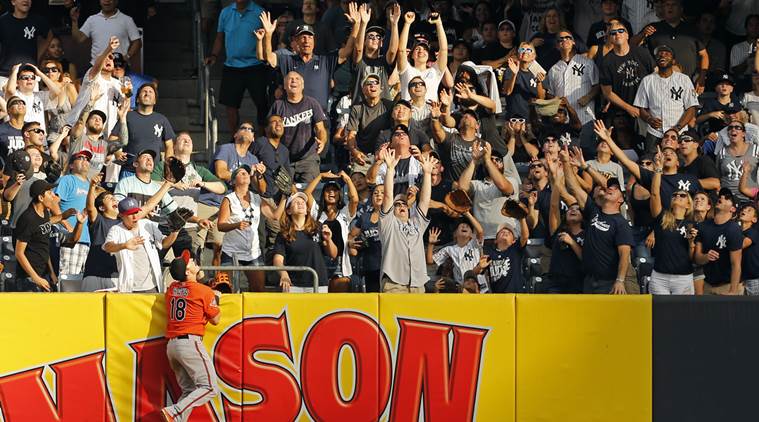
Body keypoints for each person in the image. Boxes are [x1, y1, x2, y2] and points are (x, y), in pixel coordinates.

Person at [562, 146, 634, 294]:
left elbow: (624, 254)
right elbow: (573, 188)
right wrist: (565, 163)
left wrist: (620, 281)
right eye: (609, 187)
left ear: (621, 200)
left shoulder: (620, 223)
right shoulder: (593, 211)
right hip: (589, 280)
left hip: (609, 282)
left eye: (615, 189)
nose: (611, 188)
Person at [259, 6, 358, 114]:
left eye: (310, 37)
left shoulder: (325, 61)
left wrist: (356, 26)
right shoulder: (288, 60)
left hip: (320, 118)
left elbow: (347, 50)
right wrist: (268, 35)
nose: (306, 41)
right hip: (293, 118)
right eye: (303, 37)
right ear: (296, 41)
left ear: (314, 41)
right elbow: (268, 57)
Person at [161, 250, 221, 422]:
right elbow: (216, 319)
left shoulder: (172, 289)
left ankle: (176, 417)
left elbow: (187, 293)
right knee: (210, 388)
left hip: (172, 346)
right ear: (187, 272)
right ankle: (174, 412)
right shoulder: (203, 290)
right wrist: (216, 298)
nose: (194, 261)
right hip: (190, 344)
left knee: (188, 391)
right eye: (190, 262)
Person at [217, 164, 285, 292]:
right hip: (231, 252)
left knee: (258, 289)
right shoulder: (228, 199)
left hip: (252, 252)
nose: (245, 174)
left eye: (247, 173)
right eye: (240, 173)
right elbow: (220, 225)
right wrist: (236, 225)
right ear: (232, 181)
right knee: (226, 290)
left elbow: (275, 216)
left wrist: (284, 197)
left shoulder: (256, 198)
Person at [205, 0, 269, 130]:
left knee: (262, 104)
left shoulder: (260, 12)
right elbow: (219, 37)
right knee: (231, 105)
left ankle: (263, 139)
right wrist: (214, 55)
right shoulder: (225, 12)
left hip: (256, 65)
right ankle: (234, 137)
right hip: (232, 66)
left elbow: (268, 37)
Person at [378, 148, 435, 293]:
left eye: (404, 204)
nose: (401, 206)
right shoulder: (388, 224)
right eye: (397, 204)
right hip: (394, 284)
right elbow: (388, 197)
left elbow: (424, 201)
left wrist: (427, 173)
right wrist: (390, 169)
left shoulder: (416, 223)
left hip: (418, 284)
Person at [103, 197, 179, 293]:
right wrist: (124, 245)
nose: (135, 217)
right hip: (130, 287)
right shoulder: (116, 229)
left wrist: (175, 232)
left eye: (136, 212)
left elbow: (164, 244)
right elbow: (107, 247)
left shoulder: (148, 224)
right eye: (130, 214)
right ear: (121, 215)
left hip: (153, 285)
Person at [648, 147, 697, 294]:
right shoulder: (662, 217)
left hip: (683, 278)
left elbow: (693, 258)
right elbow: (655, 194)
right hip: (659, 277)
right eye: (674, 195)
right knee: (659, 316)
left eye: (682, 195)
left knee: (683, 317)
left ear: (688, 203)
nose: (677, 196)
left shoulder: (692, 224)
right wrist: (658, 169)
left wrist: (691, 242)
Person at [13, 180, 77, 292]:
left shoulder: (44, 213)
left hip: (44, 274)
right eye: (49, 193)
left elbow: (43, 236)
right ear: (41, 198)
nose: (53, 196)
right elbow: (19, 253)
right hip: (28, 279)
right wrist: (36, 278)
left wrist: (63, 216)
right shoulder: (28, 219)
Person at [634, 45, 698, 153]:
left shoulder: (684, 79)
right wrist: (649, 119)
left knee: (680, 163)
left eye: (667, 54)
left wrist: (677, 128)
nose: (662, 55)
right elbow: (641, 108)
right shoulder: (647, 80)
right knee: (652, 163)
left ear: (673, 61)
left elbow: (691, 108)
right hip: (655, 132)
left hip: (679, 132)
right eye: (659, 54)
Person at [268, 71, 328, 183]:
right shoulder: (278, 105)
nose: (294, 80)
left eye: (297, 78)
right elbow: (270, 132)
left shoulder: (312, 103)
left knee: (309, 192)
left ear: (303, 85)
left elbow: (320, 128)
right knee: (284, 193)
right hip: (284, 158)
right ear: (285, 86)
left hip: (308, 158)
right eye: (290, 79)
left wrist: (322, 141)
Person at [305, 171, 359, 291]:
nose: (331, 193)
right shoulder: (317, 213)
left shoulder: (344, 213)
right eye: (328, 190)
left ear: (339, 194)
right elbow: (306, 194)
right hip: (319, 261)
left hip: (340, 264)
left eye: (335, 190)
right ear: (323, 194)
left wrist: (348, 180)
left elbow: (354, 200)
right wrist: (319, 176)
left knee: (339, 302)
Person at [273, 192, 336, 293]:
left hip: (318, 283)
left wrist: (329, 240)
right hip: (293, 285)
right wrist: (283, 274)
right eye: (296, 202)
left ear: (307, 210)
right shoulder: (283, 234)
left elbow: (333, 254)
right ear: (288, 210)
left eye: (303, 202)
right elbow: (278, 260)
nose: (301, 204)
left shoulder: (318, 228)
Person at [599, 20, 655, 127]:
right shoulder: (606, 61)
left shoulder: (641, 52)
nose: (617, 34)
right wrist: (629, 108)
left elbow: (656, 74)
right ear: (610, 38)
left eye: (621, 31)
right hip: (621, 113)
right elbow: (608, 93)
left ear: (627, 35)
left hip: (647, 108)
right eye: (613, 33)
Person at [646, 0, 708, 92]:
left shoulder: (692, 29)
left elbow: (704, 55)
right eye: (667, 5)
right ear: (663, 9)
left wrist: (702, 78)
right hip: (659, 83)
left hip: (688, 83)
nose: (670, 7)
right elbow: (633, 45)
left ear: (681, 9)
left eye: (674, 5)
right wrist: (643, 34)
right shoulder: (652, 28)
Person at [112, 82, 175, 170]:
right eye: (144, 91)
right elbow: (112, 137)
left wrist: (168, 168)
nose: (147, 93)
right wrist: (117, 151)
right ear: (137, 99)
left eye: (150, 92)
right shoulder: (127, 116)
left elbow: (169, 146)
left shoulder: (162, 119)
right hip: (129, 170)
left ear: (155, 101)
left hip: (154, 172)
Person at [694, 188, 744, 295]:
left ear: (733, 209)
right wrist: (706, 257)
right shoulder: (703, 226)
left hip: (728, 286)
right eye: (721, 196)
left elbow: (736, 264)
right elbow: (697, 258)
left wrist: (733, 291)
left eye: (727, 198)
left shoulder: (733, 229)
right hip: (708, 285)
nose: (722, 197)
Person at [54, 150, 93, 281]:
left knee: (81, 285)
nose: (85, 161)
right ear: (71, 165)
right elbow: (52, 204)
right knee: (68, 282)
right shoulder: (66, 180)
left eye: (87, 159)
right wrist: (65, 224)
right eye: (80, 158)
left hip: (86, 240)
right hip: (70, 240)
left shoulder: (90, 185)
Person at [70, 0, 142, 67]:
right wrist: (74, 21)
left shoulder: (127, 20)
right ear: (100, 1)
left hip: (119, 67)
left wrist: (127, 57)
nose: (107, 1)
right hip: (96, 67)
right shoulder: (92, 19)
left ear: (116, 1)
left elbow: (137, 42)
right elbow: (79, 39)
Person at [352, 3, 400, 101]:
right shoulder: (360, 61)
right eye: (371, 36)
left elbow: (392, 51)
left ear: (381, 43)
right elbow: (358, 49)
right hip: (361, 109)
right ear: (364, 41)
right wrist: (363, 24)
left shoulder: (383, 61)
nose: (375, 39)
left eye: (378, 37)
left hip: (382, 110)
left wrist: (394, 24)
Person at [397, 11, 448, 101]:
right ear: (411, 55)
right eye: (417, 49)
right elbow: (401, 50)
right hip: (409, 113)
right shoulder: (406, 69)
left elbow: (443, 50)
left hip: (430, 114)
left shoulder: (435, 71)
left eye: (425, 49)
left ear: (429, 56)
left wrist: (439, 24)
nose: (421, 50)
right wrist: (407, 23)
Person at [427, 214, 486, 291]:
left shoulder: (474, 244)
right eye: (461, 226)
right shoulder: (449, 249)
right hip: (461, 287)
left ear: (472, 235)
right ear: (455, 234)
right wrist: (431, 244)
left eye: (468, 226)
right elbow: (430, 261)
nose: (464, 226)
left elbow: (480, 231)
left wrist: (467, 213)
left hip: (477, 284)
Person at [4, 63, 62, 134]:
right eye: (25, 77)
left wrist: (39, 73)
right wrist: (15, 71)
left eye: (32, 77)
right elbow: (10, 90)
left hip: (39, 138)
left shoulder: (40, 95)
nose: (29, 79)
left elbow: (57, 91)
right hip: (19, 136)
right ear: (17, 82)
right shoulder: (15, 95)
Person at [0, 0, 53, 76]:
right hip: (5, 73)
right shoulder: (2, 21)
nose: (26, 0)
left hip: (30, 73)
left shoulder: (38, 20)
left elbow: (49, 35)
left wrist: (38, 55)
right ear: (13, 2)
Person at [348, 184, 384, 292]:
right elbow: (351, 235)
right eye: (375, 193)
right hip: (370, 266)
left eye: (382, 192)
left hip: (389, 269)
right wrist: (351, 244)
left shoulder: (393, 216)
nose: (378, 195)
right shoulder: (364, 217)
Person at [502, 42, 546, 120]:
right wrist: (514, 74)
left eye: (529, 50)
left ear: (534, 56)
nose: (525, 52)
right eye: (522, 49)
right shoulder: (510, 70)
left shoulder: (539, 73)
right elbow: (507, 91)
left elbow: (541, 99)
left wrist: (539, 82)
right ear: (518, 54)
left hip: (532, 119)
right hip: (513, 118)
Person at [0, 96, 26, 161]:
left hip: (29, 170)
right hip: (7, 169)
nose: (20, 104)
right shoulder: (1, 130)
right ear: (8, 110)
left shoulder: (33, 128)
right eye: (15, 102)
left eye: (22, 102)